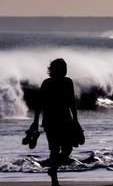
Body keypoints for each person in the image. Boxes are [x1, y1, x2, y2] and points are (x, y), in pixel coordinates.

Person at [29, 58, 80, 186]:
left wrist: (76, 120)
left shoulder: (68, 82)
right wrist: (35, 122)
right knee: (54, 149)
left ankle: (53, 169)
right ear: (55, 70)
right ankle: (54, 179)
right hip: (50, 121)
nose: (65, 70)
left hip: (66, 120)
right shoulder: (47, 83)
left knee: (67, 149)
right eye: (62, 68)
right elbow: (39, 104)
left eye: (65, 68)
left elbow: (72, 102)